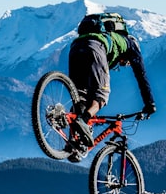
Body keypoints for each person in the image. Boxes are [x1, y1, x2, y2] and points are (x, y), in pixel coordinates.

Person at [67, 12, 156, 157]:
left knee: (81, 97)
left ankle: (73, 143)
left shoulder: (109, 37)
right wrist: (150, 103)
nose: (125, 64)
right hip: (96, 48)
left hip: (75, 48)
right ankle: (83, 121)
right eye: (126, 63)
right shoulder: (132, 46)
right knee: (101, 97)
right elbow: (142, 77)